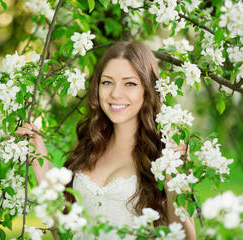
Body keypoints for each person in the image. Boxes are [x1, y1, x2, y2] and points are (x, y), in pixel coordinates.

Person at [16, 41, 196, 240]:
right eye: (107, 82)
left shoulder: (167, 156)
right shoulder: (90, 148)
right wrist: (40, 165)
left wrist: (171, 176)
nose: (115, 94)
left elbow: (185, 238)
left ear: (147, 89)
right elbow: (65, 234)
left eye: (130, 83)